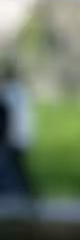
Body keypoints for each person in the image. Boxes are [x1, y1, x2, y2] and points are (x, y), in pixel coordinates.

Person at [0, 61, 34, 200]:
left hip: (14, 138)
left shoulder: (10, 93)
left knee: (16, 169)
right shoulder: (21, 92)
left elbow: (10, 117)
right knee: (19, 169)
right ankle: (27, 195)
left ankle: (26, 195)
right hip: (22, 137)